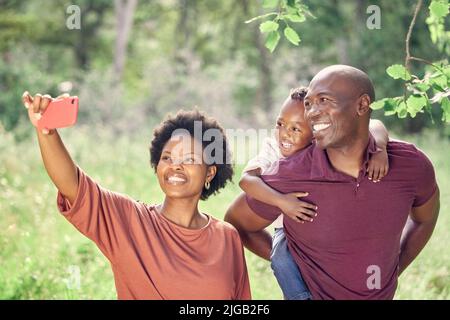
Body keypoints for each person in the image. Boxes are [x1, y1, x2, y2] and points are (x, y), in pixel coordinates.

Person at [225, 65, 440, 300]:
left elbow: (425, 219)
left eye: (324, 100)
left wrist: (393, 269)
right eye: (308, 104)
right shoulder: (288, 172)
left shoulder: (410, 165)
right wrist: (301, 265)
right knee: (282, 256)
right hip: (302, 281)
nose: (312, 112)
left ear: (362, 105)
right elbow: (238, 221)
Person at [22, 92, 251, 300]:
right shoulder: (129, 220)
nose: (175, 167)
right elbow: (72, 185)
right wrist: (47, 132)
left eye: (189, 159)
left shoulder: (227, 237)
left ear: (210, 172)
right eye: (168, 158)